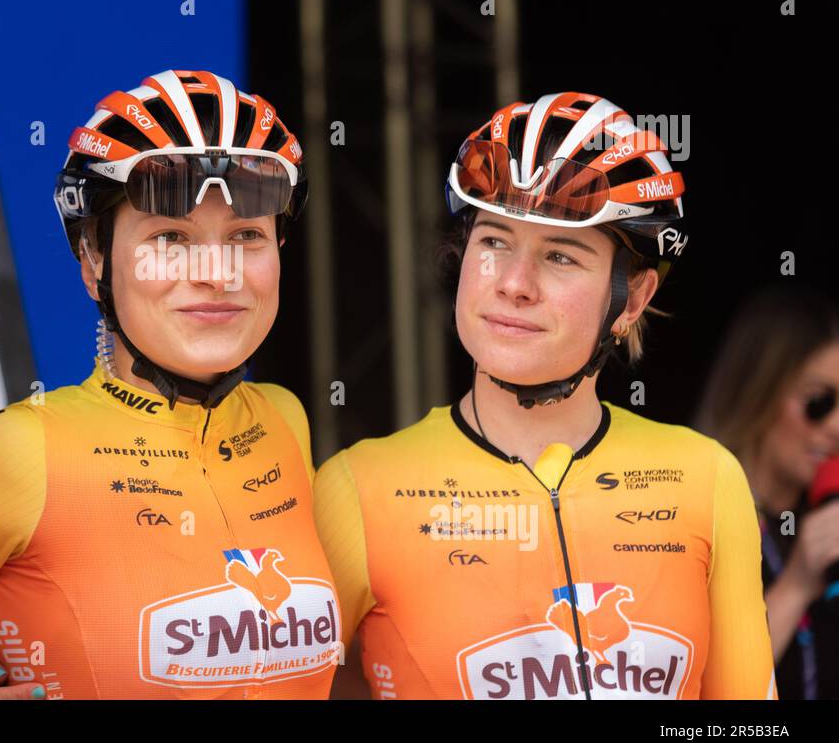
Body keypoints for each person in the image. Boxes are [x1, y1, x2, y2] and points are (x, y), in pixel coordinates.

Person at [315, 92, 776, 699]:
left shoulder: (709, 478)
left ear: (631, 300)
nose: (514, 284)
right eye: (495, 242)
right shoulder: (356, 487)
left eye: (560, 256)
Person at [0, 70, 341, 698]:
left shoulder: (284, 419)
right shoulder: (13, 452)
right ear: (94, 260)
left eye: (246, 236)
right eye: (170, 238)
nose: (216, 273)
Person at [695, 285, 839, 699]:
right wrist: (796, 586)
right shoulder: (692, 509)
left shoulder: (822, 515)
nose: (835, 426)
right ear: (759, 389)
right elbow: (703, 688)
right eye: (819, 402)